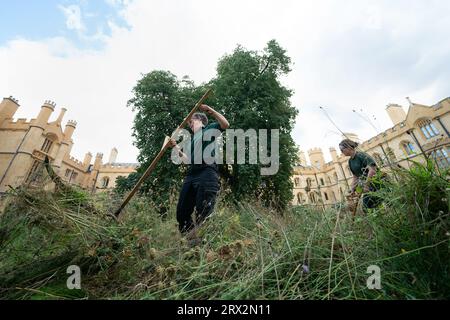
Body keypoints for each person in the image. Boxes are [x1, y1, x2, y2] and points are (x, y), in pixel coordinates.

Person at [168, 104, 229, 235]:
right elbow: (187, 160)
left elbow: (225, 124)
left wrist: (210, 111)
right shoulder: (190, 140)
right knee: (182, 212)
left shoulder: (208, 129)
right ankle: (190, 242)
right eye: (189, 123)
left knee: (204, 213)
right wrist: (176, 148)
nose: (189, 124)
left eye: (192, 121)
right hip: (192, 174)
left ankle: (205, 245)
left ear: (201, 121)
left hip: (207, 172)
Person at [339, 139, 383, 212]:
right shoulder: (350, 161)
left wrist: (367, 185)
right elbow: (355, 176)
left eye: (342, 149)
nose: (341, 152)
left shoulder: (361, 155)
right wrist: (352, 189)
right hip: (369, 187)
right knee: (367, 208)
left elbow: (372, 170)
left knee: (372, 205)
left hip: (378, 183)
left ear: (349, 147)